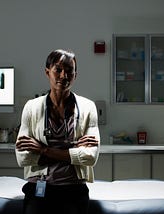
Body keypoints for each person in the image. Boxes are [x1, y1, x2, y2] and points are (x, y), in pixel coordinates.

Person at [15, 49, 100, 214]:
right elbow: (23, 157)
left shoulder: (88, 107)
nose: (64, 75)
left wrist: (42, 150)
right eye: (58, 70)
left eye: (69, 71)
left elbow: (90, 157)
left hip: (73, 189)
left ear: (75, 75)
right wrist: (74, 152)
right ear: (47, 72)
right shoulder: (32, 107)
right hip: (39, 186)